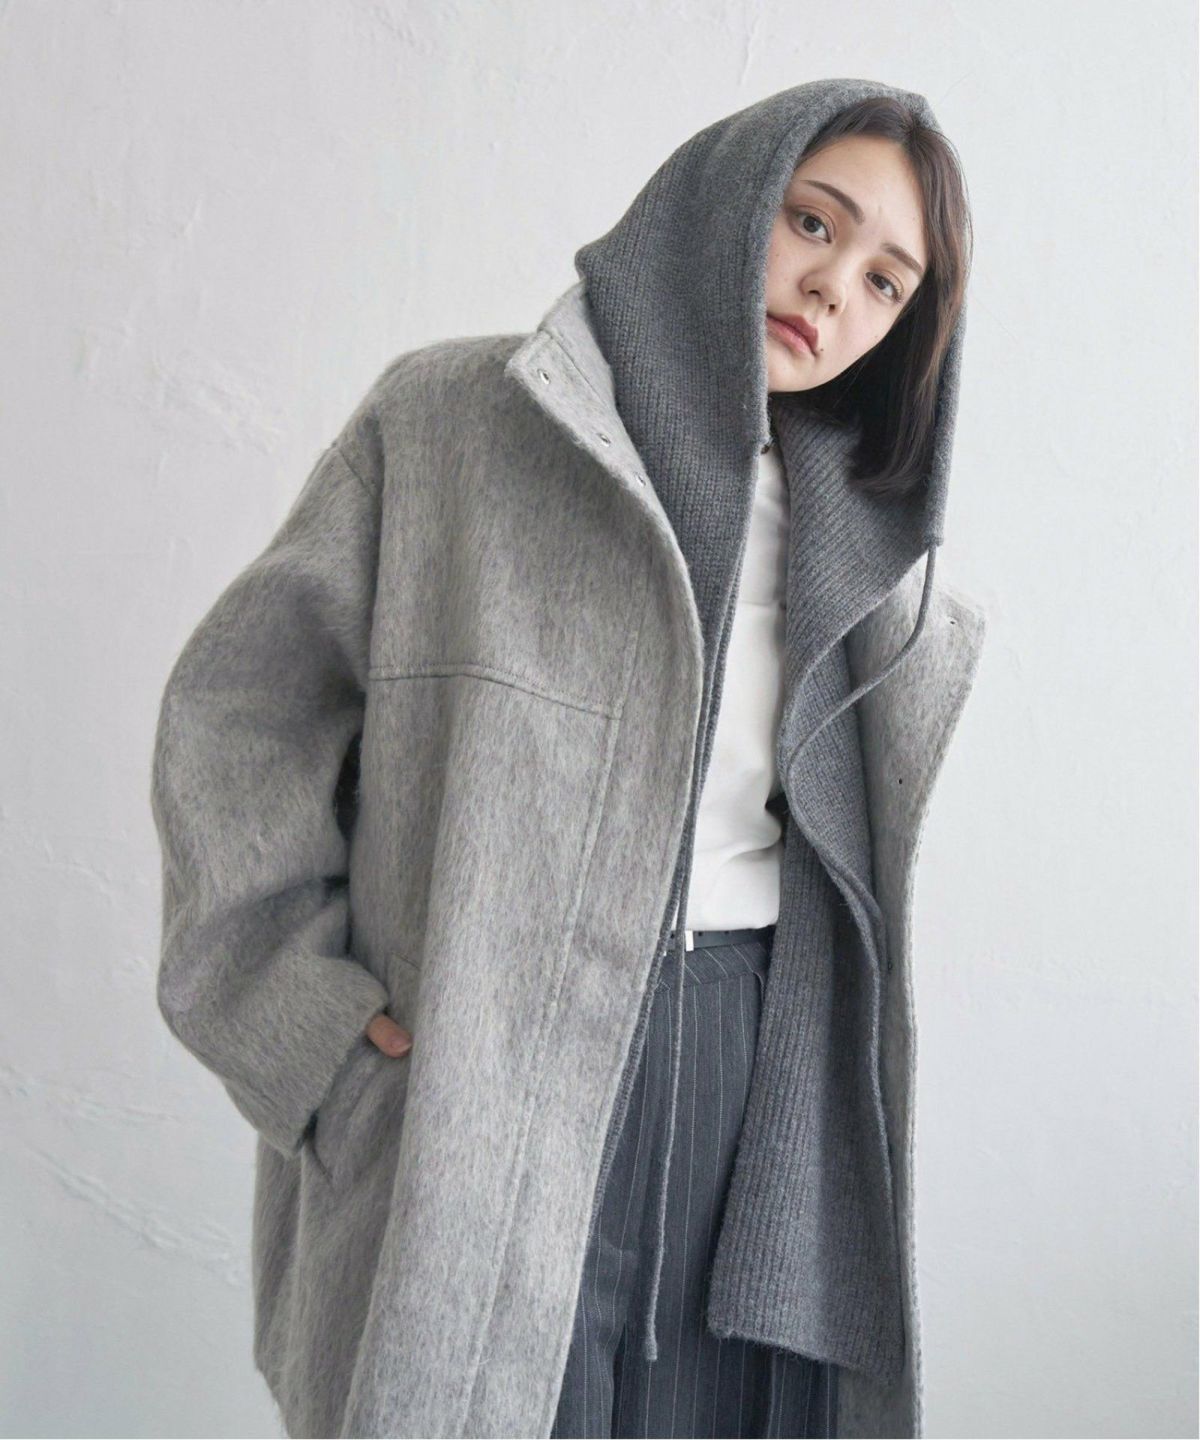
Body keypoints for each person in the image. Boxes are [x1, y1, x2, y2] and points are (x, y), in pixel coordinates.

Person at [150, 77, 978, 1440]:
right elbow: (240, 718)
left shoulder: (862, 547)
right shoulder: (454, 424)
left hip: (756, 1069)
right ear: (725, 202)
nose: (835, 288)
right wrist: (313, 1031)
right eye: (813, 222)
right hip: (477, 1058)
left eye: (888, 282)